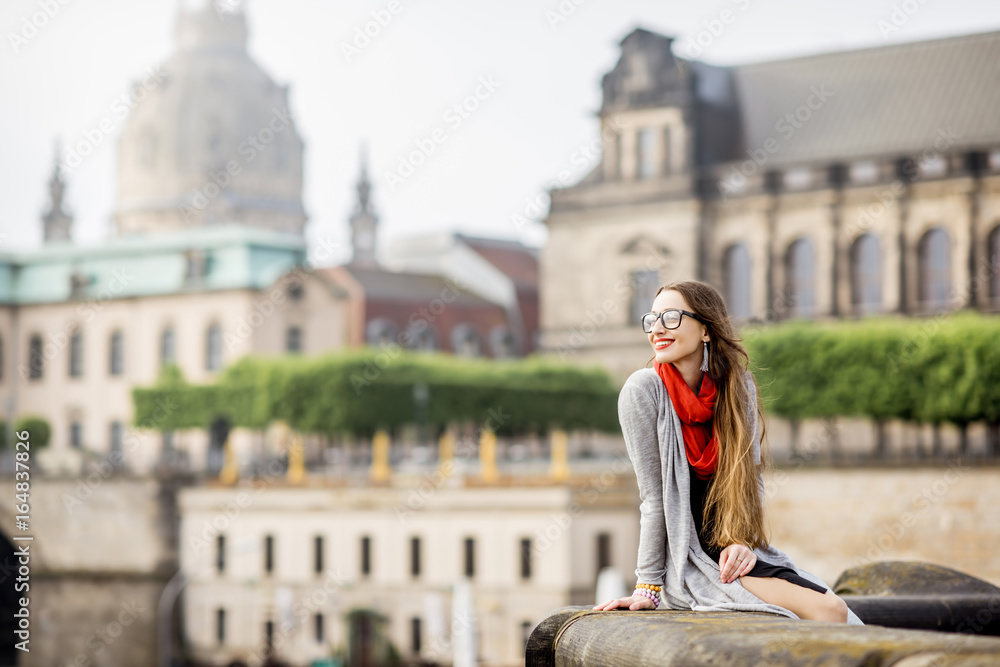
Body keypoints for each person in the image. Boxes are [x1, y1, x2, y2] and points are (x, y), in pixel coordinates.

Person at [593, 280, 861, 624]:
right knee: (830, 611)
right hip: (694, 563)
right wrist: (648, 587)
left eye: (671, 317)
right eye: (652, 319)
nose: (657, 329)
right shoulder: (643, 390)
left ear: (706, 329)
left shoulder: (738, 386)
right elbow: (653, 499)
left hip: (735, 550)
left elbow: (751, 480)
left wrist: (743, 542)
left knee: (837, 612)